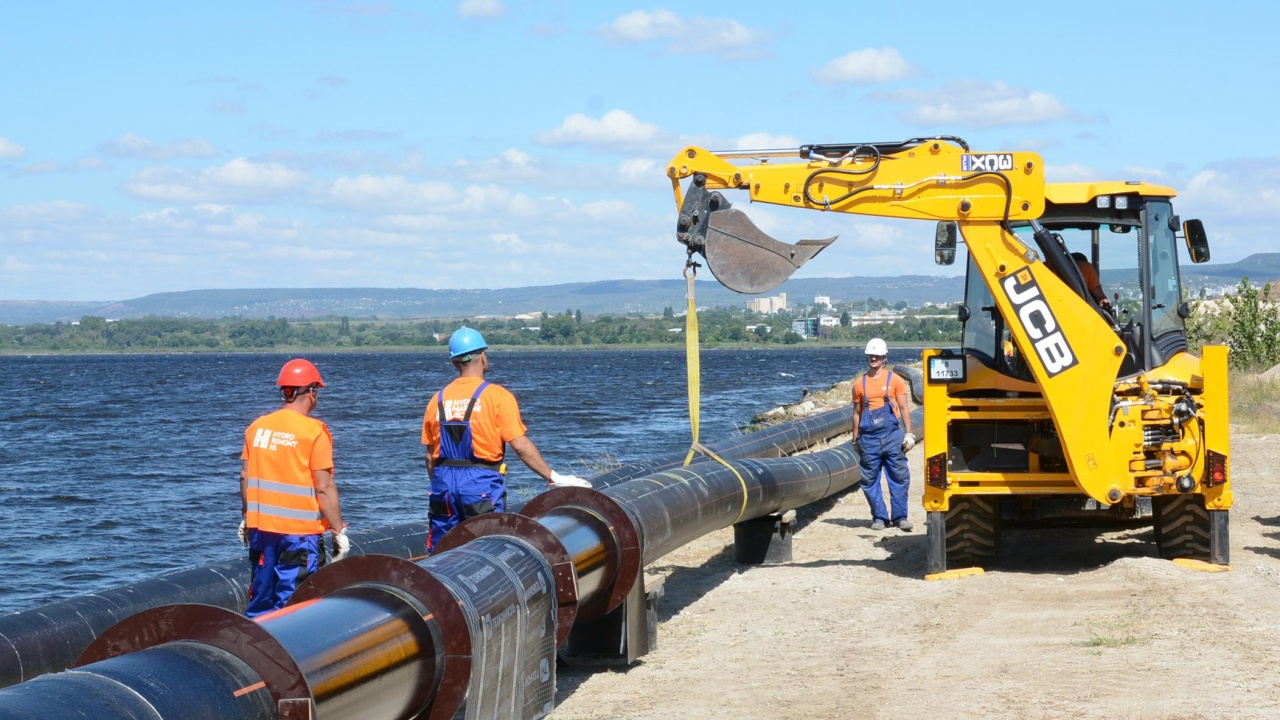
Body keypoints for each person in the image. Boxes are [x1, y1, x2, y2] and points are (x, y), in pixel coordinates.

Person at [422, 327, 587, 553]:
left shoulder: (436, 400)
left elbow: (430, 456)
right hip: (479, 483)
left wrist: (443, 484)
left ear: (455, 363)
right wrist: (552, 476)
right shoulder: (497, 397)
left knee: (441, 550)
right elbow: (520, 445)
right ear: (482, 356)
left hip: (443, 484)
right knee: (487, 550)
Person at [239, 358, 349, 618]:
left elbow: (245, 476)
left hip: (262, 532)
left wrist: (246, 517)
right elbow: (323, 488)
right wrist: (337, 530)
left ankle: (257, 649)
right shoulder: (314, 432)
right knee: (297, 604)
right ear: (311, 392)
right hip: (299, 538)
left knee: (261, 599)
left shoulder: (257, 428)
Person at [851, 338, 915, 531]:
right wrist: (855, 439)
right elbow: (856, 413)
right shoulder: (859, 384)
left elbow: (904, 407)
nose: (873, 358)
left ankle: (900, 517)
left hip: (892, 437)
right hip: (868, 439)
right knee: (869, 480)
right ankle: (879, 517)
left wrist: (909, 434)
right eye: (871, 355)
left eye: (877, 356)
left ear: (884, 357)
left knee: (899, 477)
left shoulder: (895, 380)